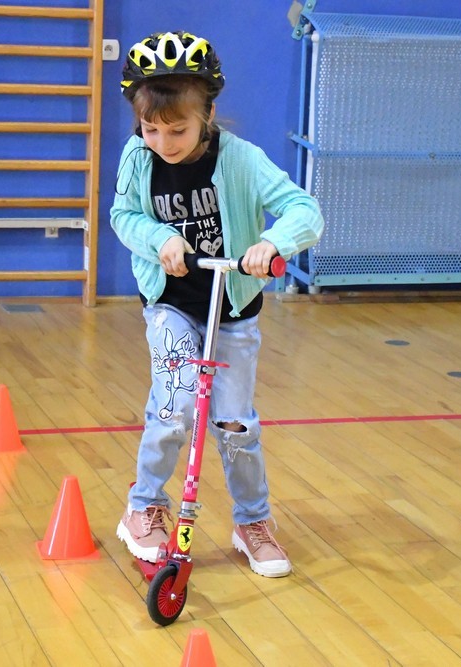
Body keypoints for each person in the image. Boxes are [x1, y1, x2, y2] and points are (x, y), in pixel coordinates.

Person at [110, 31, 324, 577]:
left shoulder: (242, 160)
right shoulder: (138, 157)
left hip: (232, 309)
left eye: (177, 129)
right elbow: (123, 216)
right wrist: (159, 238)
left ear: (207, 114)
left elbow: (304, 210)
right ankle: (143, 507)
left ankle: (252, 522)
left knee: (236, 426)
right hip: (171, 304)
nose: (163, 142)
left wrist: (272, 243)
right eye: (150, 129)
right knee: (175, 405)